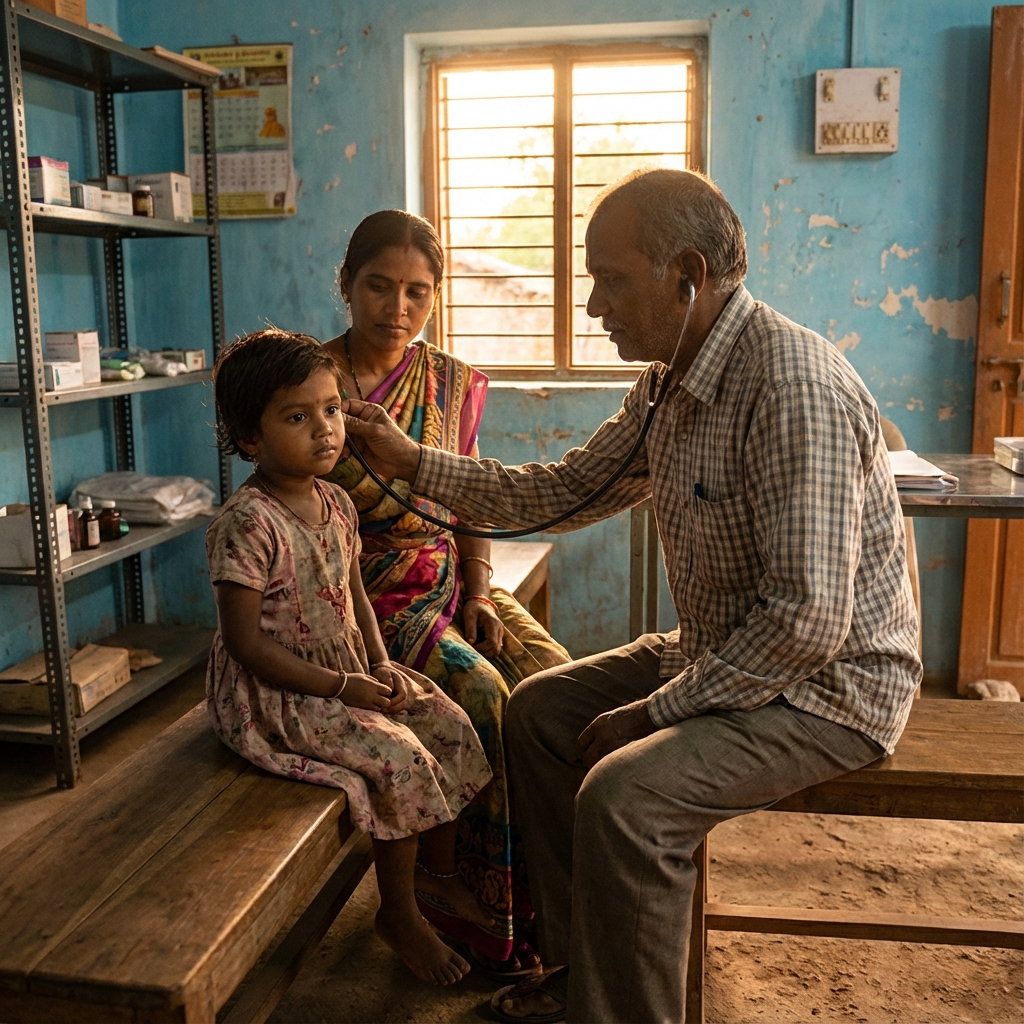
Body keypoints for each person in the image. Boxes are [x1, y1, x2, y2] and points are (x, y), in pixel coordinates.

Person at [341, 168, 923, 1022]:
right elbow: (561, 491)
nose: (591, 305)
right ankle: (585, 976)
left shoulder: (790, 385)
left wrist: (659, 712)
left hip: (830, 689)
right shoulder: (667, 388)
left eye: (609, 278)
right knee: (537, 711)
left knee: (626, 796)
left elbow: (806, 623)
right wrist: (412, 462)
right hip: (729, 651)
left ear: (684, 276)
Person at [319, 209, 571, 976]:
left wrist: (482, 594)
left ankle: (550, 901)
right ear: (347, 285)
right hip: (363, 594)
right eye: (379, 287)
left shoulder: (448, 382)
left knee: (560, 683)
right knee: (485, 697)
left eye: (417, 293)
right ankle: (459, 903)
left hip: (448, 576)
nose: (397, 309)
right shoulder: (312, 381)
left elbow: (467, 499)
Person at [203, 328, 496, 986]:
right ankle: (397, 916)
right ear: (249, 438)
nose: (325, 430)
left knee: (446, 722)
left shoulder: (335, 500)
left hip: (342, 672)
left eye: (333, 409)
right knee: (399, 757)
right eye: (297, 417)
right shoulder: (247, 523)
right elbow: (247, 646)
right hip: (276, 693)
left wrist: (379, 666)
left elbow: (353, 591)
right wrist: (344, 686)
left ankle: (435, 877)